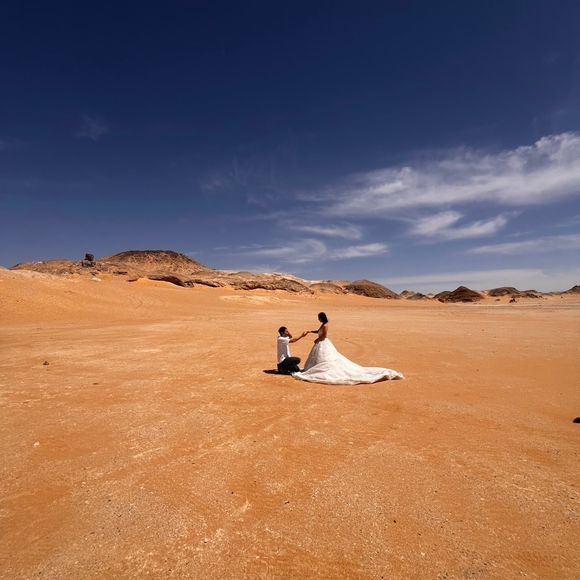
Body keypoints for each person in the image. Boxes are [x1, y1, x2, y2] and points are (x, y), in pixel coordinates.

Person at [292, 312, 404, 385]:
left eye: (318, 318)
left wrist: (317, 339)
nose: (318, 319)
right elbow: (318, 331)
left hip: (323, 343)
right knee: (318, 358)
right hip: (320, 343)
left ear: (322, 318)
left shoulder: (326, 325)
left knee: (327, 360)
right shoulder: (322, 325)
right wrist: (310, 331)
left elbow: (324, 335)